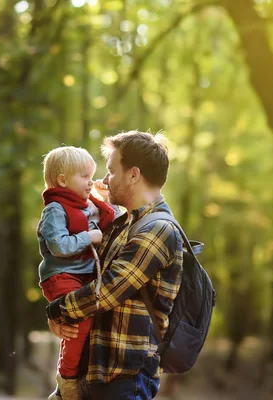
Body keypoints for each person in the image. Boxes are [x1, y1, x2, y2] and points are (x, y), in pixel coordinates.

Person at [46, 131, 184, 400]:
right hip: (96, 373)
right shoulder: (122, 225)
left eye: (111, 170)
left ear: (133, 174)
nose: (105, 179)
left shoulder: (158, 230)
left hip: (123, 379)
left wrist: (57, 310)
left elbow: (107, 291)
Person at [37, 146, 116, 400]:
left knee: (88, 323)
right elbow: (58, 245)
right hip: (61, 276)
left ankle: (75, 376)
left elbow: (111, 225)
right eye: (85, 176)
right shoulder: (55, 210)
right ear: (62, 180)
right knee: (79, 320)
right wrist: (87, 237)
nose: (91, 181)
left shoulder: (87, 206)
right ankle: (67, 378)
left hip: (83, 275)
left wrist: (105, 200)